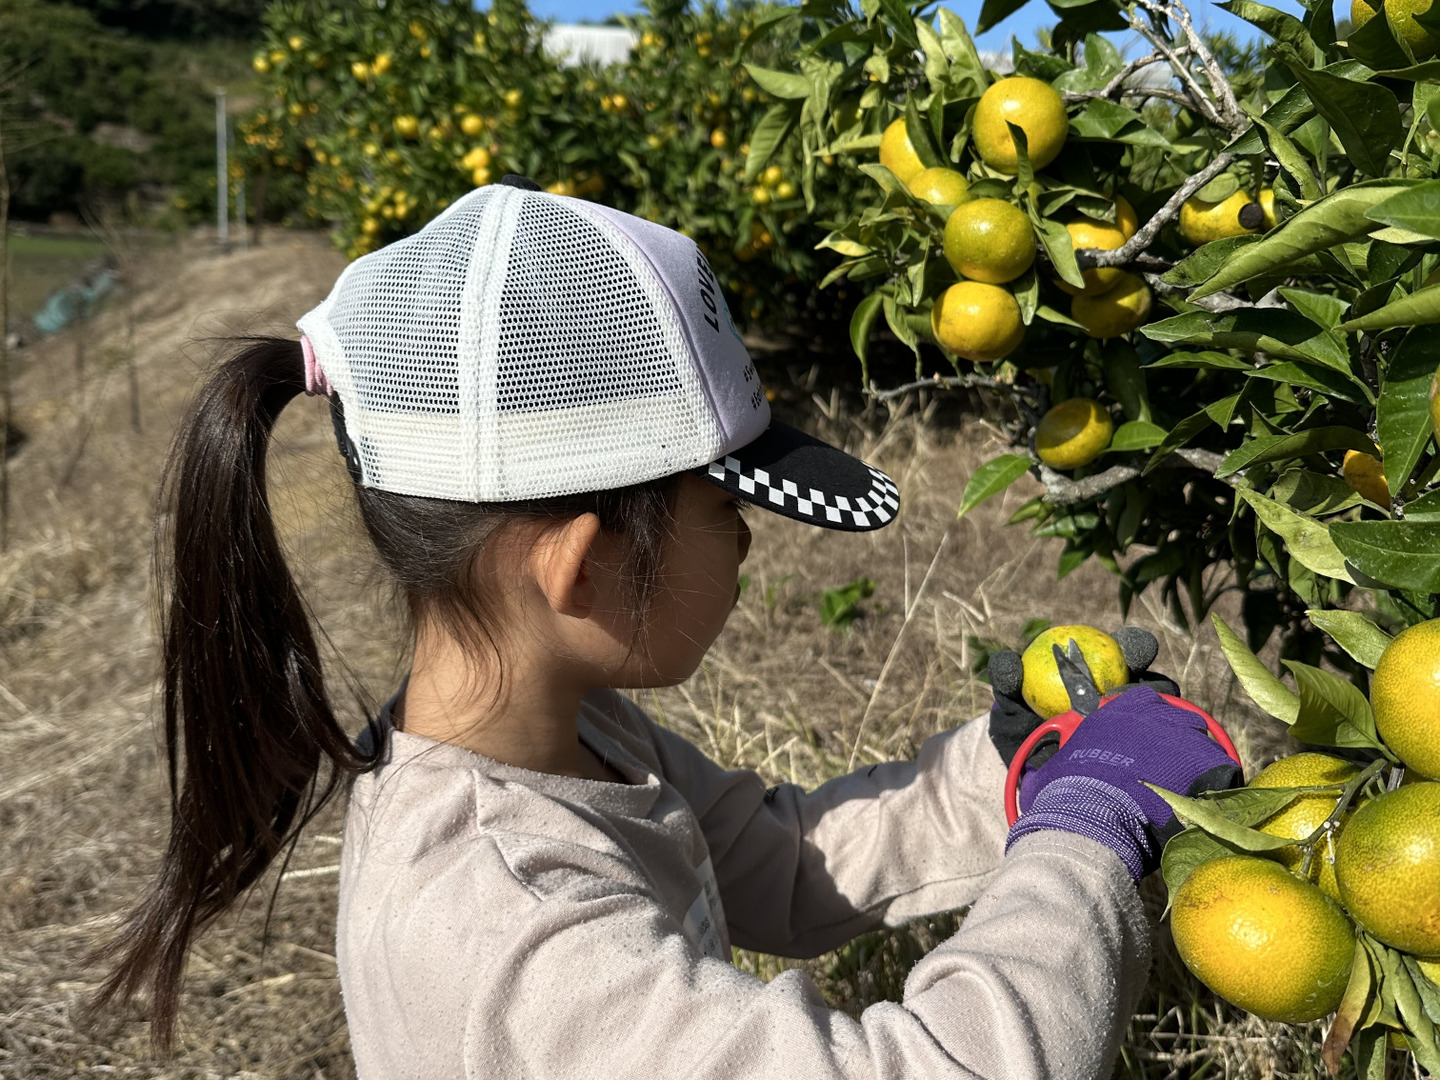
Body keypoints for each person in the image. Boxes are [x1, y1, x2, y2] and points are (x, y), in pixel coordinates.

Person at [94, 175, 1241, 1079]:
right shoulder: (499, 920)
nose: (747, 543)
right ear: (583, 565)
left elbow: (788, 863)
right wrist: (1085, 835)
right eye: (726, 511)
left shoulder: (575, 733)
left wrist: (1010, 773)